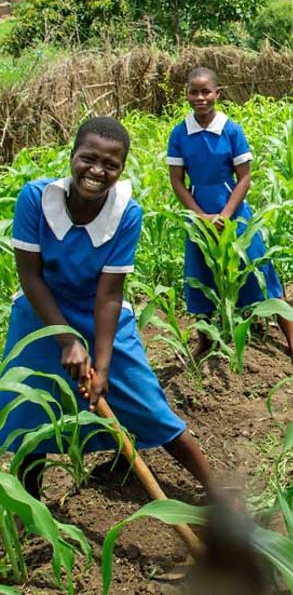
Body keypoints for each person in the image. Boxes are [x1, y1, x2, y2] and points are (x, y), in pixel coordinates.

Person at [1, 117, 219, 501]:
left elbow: (109, 295)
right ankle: (29, 508)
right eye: (88, 158)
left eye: (110, 165)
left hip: (100, 315)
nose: (97, 171)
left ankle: (217, 493)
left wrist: (101, 366)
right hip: (39, 316)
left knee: (146, 403)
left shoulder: (126, 214)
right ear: (72, 156)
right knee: (30, 412)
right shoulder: (35, 199)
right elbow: (30, 278)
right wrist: (66, 339)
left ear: (121, 169)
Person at [167, 67, 293, 367]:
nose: (200, 97)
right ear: (187, 94)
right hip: (200, 216)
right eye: (194, 92)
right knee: (200, 276)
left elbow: (244, 178)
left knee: (262, 272)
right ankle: (205, 341)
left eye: (206, 91)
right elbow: (177, 181)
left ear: (218, 93)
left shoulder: (231, 130)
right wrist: (201, 217)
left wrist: (226, 214)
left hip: (234, 211)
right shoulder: (180, 133)